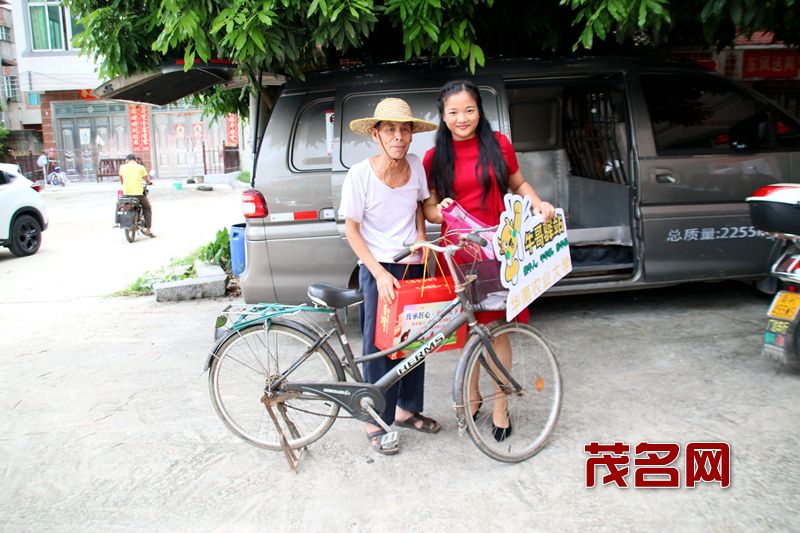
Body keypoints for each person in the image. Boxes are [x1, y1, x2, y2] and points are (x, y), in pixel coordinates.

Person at [422, 80, 556, 442]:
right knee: (468, 329)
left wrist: (538, 203)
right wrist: (441, 212)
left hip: (500, 251)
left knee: (497, 329)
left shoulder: (498, 145)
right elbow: (429, 209)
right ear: (443, 116)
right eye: (453, 112)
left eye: (469, 110)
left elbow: (518, 184)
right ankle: (473, 393)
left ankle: (500, 406)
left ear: (479, 111)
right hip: (460, 255)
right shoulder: (434, 158)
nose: (462, 118)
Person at [339, 98, 441, 456]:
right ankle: (375, 420)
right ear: (376, 134)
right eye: (390, 129)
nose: (398, 136)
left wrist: (422, 238)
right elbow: (352, 230)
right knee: (380, 346)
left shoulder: (416, 165)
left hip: (413, 264)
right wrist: (379, 274)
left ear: (411, 135)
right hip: (378, 267)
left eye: (404, 129)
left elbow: (419, 207)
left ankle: (406, 410)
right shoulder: (360, 175)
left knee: (415, 341)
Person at [119, 154, 155, 237]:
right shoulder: (141, 167)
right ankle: (148, 229)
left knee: (122, 205)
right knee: (147, 208)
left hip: (126, 194)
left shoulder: (122, 167)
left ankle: (117, 222)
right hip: (138, 194)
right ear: (135, 160)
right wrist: (149, 183)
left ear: (127, 160)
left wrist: (124, 184)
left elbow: (121, 180)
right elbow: (147, 180)